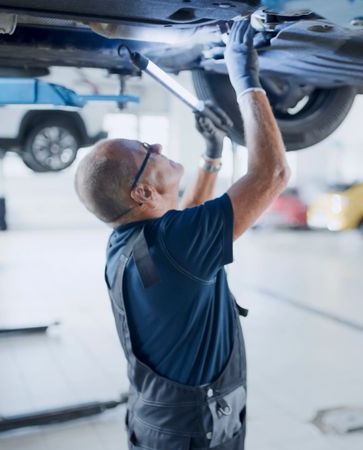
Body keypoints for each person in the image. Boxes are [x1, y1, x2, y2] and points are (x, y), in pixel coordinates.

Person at [74, 18, 289, 450]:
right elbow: (273, 174)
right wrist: (246, 78)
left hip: (160, 422)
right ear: (141, 191)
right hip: (190, 431)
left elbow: (185, 225)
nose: (154, 146)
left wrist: (212, 156)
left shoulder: (131, 244)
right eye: (143, 151)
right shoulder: (171, 245)